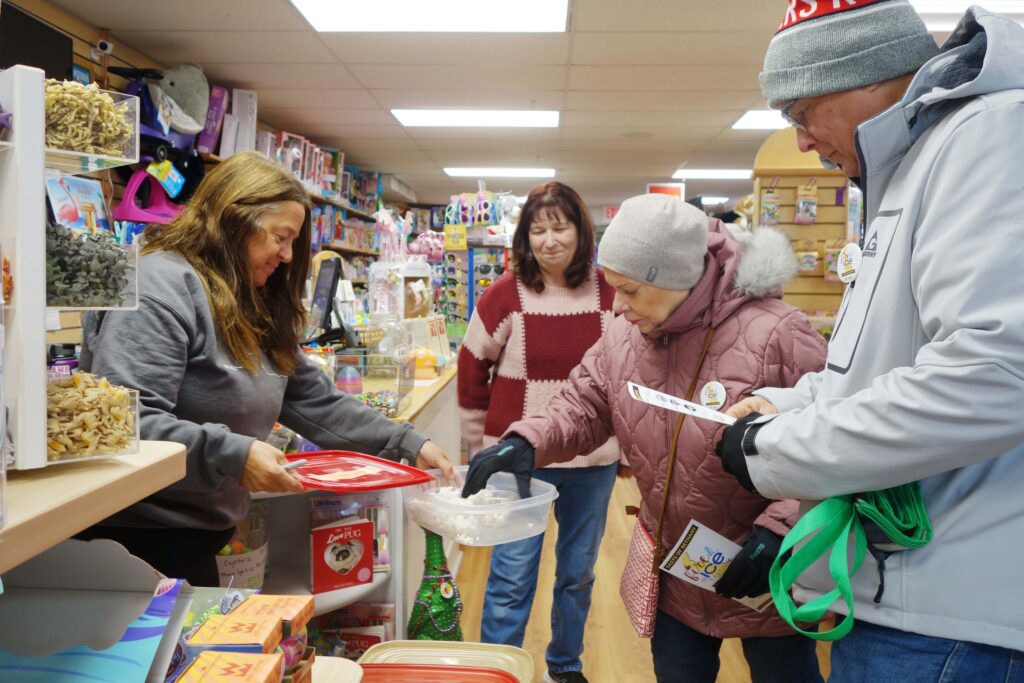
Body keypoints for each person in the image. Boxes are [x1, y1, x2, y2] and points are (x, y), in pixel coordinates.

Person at [714, 1, 1024, 680]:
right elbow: (883, 368)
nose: (799, 141)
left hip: (952, 620)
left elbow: (993, 374)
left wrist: (775, 451)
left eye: (801, 113)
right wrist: (780, 408)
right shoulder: (913, 166)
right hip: (914, 602)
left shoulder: (986, 137)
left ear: (861, 78)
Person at [464, 193, 828, 683]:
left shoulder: (779, 334)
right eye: (614, 288)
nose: (617, 305)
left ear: (674, 278)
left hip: (765, 571)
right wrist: (527, 440)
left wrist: (782, 530)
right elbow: (583, 405)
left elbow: (830, 441)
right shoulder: (622, 336)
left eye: (631, 290)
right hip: (678, 570)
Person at [76, 151, 454, 586]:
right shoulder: (160, 287)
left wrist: (407, 442)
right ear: (234, 218)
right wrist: (234, 453)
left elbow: (315, 401)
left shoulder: (248, 300)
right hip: (136, 543)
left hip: (197, 535)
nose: (289, 256)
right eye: (281, 237)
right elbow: (127, 422)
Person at [457, 181, 620, 683]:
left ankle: (564, 666)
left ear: (581, 231)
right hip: (516, 459)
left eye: (560, 227)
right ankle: (496, 670)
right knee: (510, 575)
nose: (549, 240)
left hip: (591, 462)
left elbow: (625, 372)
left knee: (577, 575)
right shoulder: (505, 295)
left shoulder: (609, 292)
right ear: (524, 237)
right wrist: (475, 448)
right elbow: (471, 369)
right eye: (538, 229)